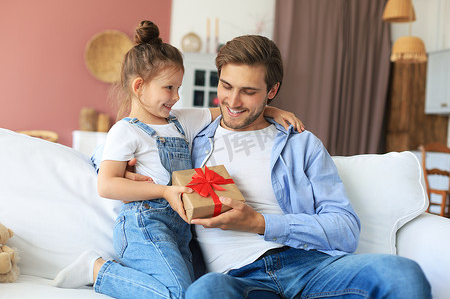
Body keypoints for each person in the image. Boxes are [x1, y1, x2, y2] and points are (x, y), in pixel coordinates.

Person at [52, 21, 303, 299]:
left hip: (181, 229)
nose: (177, 96)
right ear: (139, 86)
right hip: (145, 224)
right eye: (169, 88)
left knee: (194, 292)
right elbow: (107, 185)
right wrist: (164, 191)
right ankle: (99, 271)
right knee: (179, 295)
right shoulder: (126, 130)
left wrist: (271, 109)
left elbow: (228, 111)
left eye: (178, 87)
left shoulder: (181, 121)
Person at [179, 35, 431, 298]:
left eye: (249, 92)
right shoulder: (190, 139)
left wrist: (261, 223)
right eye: (226, 86)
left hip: (312, 268)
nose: (232, 101)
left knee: (401, 274)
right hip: (238, 278)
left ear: (272, 91)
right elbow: (141, 124)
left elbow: (345, 229)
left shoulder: (301, 144)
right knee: (206, 291)